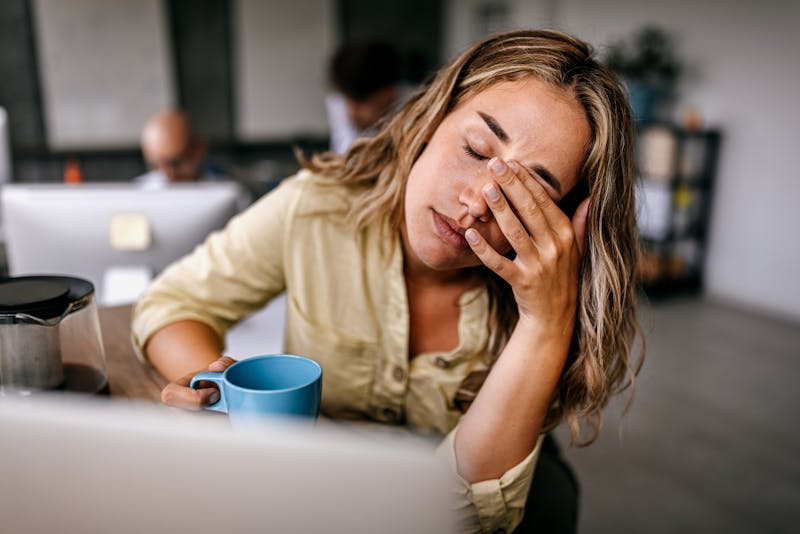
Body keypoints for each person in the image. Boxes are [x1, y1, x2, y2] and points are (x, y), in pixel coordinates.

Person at [132, 29, 643, 533]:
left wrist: (545, 322)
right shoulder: (317, 208)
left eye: (526, 194)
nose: (474, 203)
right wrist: (228, 401)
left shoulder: (548, 298)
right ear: (430, 119)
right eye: (476, 148)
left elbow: (467, 515)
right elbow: (171, 303)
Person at [325, 40, 405, 154]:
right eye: (348, 99)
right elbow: (345, 155)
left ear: (389, 93)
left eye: (360, 102)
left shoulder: (413, 109)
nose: (352, 110)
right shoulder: (340, 103)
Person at [135, 109, 225, 186]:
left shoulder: (226, 187)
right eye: (155, 166)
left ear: (199, 150)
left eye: (175, 163)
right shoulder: (138, 192)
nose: (166, 175)